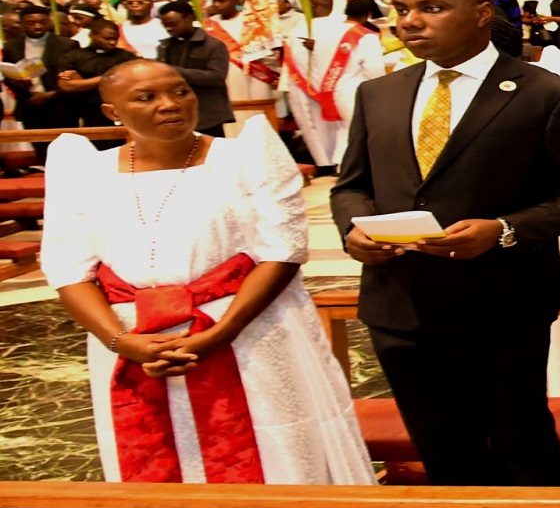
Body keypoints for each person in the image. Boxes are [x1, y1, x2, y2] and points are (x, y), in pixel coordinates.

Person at [330, 0, 560, 486]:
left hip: (499, 304)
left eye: (431, 8)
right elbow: (350, 185)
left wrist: (503, 229)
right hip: (399, 304)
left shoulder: (544, 94)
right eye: (403, 9)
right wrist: (354, 229)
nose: (410, 21)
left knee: (518, 447)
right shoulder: (379, 94)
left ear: (483, 14)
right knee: (443, 454)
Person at [42, 60, 373, 483]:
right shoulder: (83, 168)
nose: (169, 104)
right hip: (133, 340)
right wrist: (121, 342)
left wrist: (222, 332)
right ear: (112, 112)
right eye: (147, 98)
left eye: (180, 91)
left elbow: (283, 250)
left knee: (276, 453)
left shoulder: (244, 155)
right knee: (155, 456)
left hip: (244, 330)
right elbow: (68, 268)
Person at [153, 2, 233, 137]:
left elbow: (216, 77)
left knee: (212, 154)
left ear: (189, 19)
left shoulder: (213, 45)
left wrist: (172, 71)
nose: (169, 29)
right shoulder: (165, 46)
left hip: (206, 113)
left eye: (173, 24)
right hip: (175, 112)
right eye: (165, 25)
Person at [55, 20, 139, 137]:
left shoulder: (126, 57)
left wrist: (82, 82)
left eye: (115, 38)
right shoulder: (72, 56)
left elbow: (135, 82)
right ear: (92, 35)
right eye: (107, 38)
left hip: (120, 111)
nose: (113, 42)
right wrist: (111, 77)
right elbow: (66, 86)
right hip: (85, 112)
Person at [5, 5, 80, 132]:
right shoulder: (11, 46)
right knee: (39, 148)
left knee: (65, 147)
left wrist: (49, 95)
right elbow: (8, 73)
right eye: (31, 23)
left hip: (61, 106)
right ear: (22, 24)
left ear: (49, 22)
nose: (37, 26)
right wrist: (18, 84)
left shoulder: (67, 44)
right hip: (29, 106)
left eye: (43, 22)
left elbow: (76, 78)